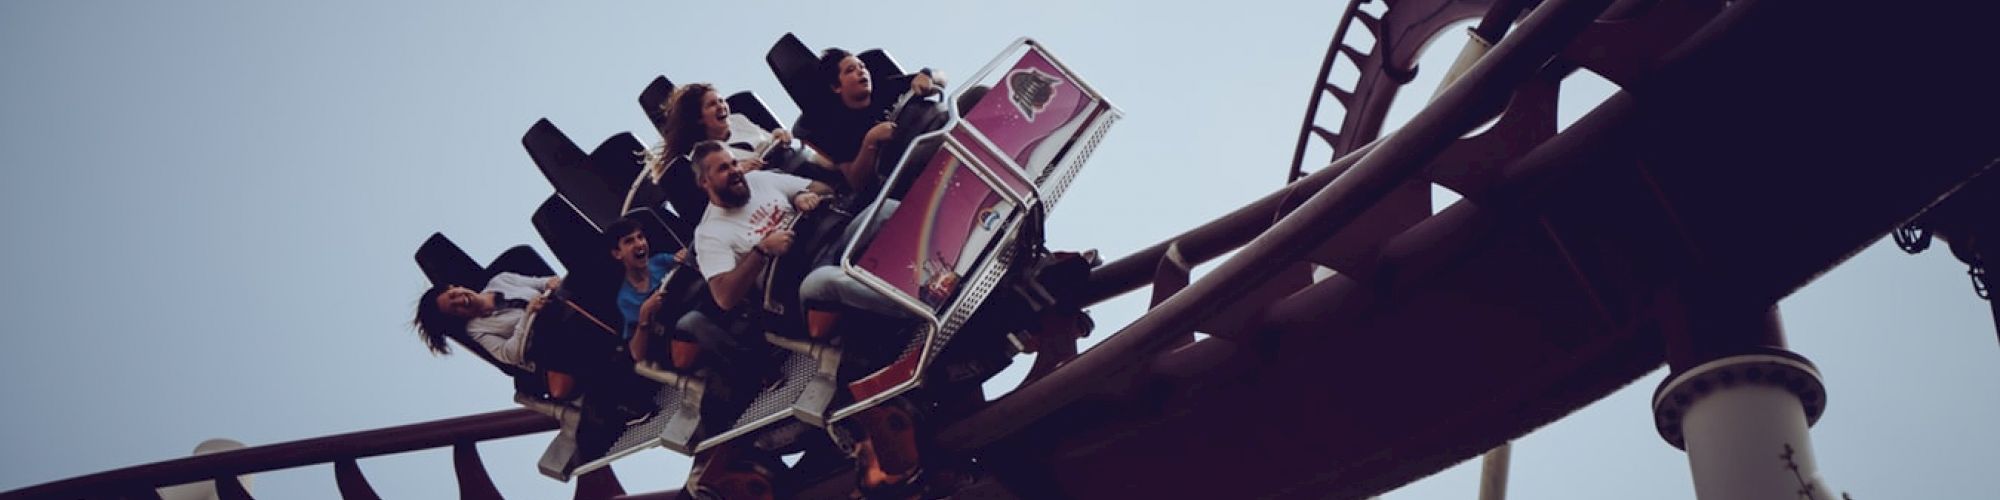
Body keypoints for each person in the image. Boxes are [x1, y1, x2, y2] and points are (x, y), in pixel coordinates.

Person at [628, 83, 797, 220]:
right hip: (768, 193)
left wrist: (777, 135)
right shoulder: (702, 156)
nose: (721, 106)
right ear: (700, 118)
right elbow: (716, 197)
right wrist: (738, 173)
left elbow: (768, 141)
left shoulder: (738, 120)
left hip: (791, 165)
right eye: (712, 104)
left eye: (721, 101)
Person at [795, 48, 942, 197]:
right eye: (850, 70)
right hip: (910, 168)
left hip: (939, 130)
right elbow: (857, 182)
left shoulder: (886, 87)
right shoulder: (837, 128)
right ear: (836, 87)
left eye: (862, 67)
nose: (861, 72)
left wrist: (928, 75)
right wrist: (870, 141)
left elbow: (940, 77)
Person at [605, 217, 699, 369]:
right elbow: (637, 354)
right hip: (674, 338)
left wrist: (685, 258)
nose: (639, 244)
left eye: (640, 237)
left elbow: (690, 270)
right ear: (617, 254)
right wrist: (644, 316)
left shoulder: (660, 261)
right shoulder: (625, 299)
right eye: (629, 241)